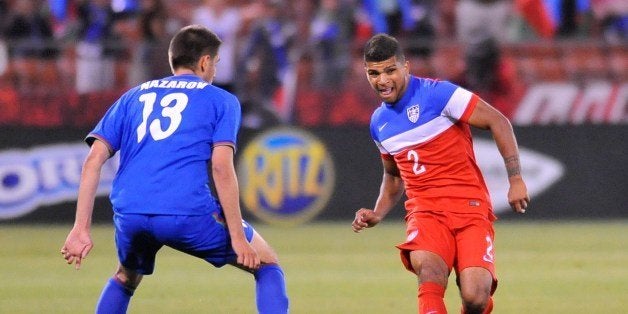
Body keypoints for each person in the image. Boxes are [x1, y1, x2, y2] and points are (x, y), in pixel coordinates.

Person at [60, 25, 289, 314]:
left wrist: (80, 228)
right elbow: (220, 166)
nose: (214, 72)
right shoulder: (221, 99)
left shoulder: (133, 96)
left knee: (125, 277)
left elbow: (93, 160)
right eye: (215, 64)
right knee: (267, 265)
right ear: (205, 62)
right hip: (186, 212)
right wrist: (237, 237)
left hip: (131, 212)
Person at [351, 33, 529, 314]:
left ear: (405, 66)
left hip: (469, 207)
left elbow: (498, 121)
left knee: (475, 297)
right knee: (430, 272)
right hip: (426, 212)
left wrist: (516, 179)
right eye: (373, 73)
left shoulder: (439, 94)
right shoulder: (379, 123)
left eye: (389, 70)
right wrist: (378, 212)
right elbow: (394, 175)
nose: (382, 80)